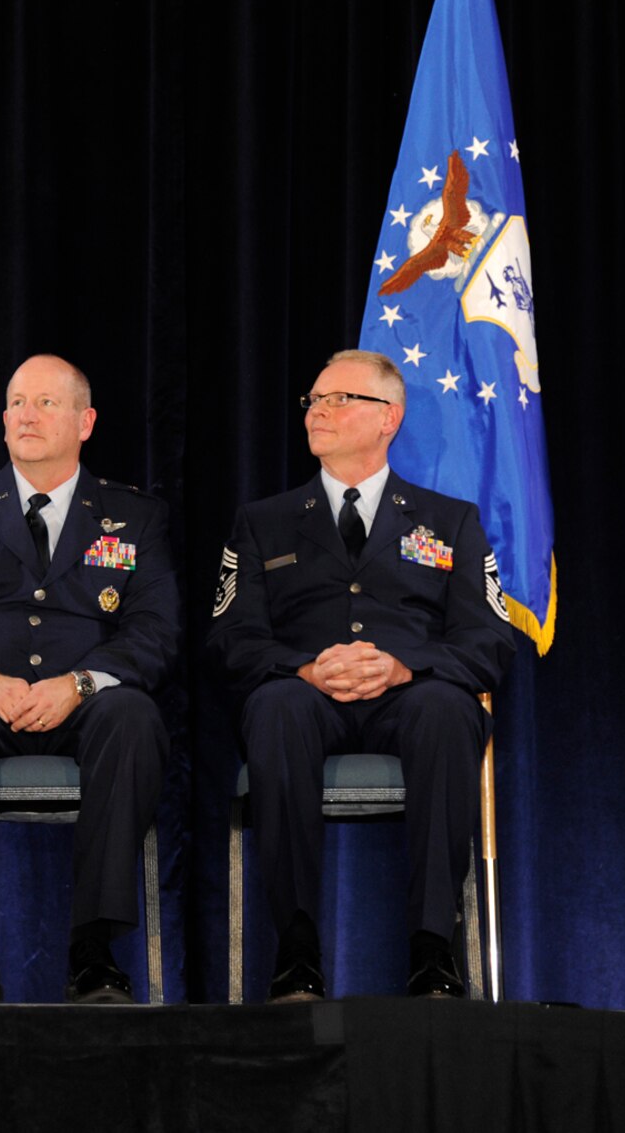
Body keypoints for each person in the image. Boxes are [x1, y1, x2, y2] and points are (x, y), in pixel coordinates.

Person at [207, 349, 516, 1001]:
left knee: (448, 708)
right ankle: (296, 951)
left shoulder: (449, 520)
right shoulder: (262, 522)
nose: (318, 411)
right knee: (275, 708)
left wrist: (409, 665)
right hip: (304, 693)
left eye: (339, 399)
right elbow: (231, 637)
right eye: (313, 400)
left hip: (410, 694)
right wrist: (304, 668)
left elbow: (489, 638)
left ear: (389, 418)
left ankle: (434, 950)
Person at [0, 355, 178, 1003]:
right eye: (17, 401)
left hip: (87, 706)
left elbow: (156, 632)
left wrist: (80, 684)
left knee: (134, 717)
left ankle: (94, 951)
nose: (26, 414)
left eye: (46, 403)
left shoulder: (135, 517)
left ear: (86, 421)